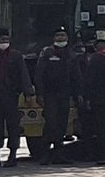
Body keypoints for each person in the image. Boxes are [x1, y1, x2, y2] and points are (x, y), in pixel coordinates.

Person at [0, 29, 34, 168]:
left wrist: (28, 93)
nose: (4, 42)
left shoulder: (16, 56)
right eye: (1, 40)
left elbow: (23, 75)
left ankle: (12, 155)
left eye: (6, 40)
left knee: (13, 127)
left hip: (11, 96)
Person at [34, 27, 79, 165]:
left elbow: (76, 76)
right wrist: (39, 93)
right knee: (51, 123)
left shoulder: (71, 54)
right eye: (58, 35)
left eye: (63, 35)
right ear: (54, 38)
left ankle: (59, 154)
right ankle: (45, 154)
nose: (61, 38)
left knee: (62, 124)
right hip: (50, 94)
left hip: (64, 94)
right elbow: (39, 74)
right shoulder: (47, 52)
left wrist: (78, 94)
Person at [74, 41, 98, 158]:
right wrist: (80, 94)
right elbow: (77, 78)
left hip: (98, 97)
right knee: (86, 126)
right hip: (84, 96)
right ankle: (89, 152)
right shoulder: (78, 61)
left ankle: (97, 151)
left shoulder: (101, 59)